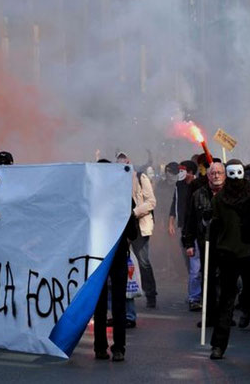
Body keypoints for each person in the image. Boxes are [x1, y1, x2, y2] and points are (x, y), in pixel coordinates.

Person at [208, 159, 250, 360]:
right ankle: (218, 345)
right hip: (228, 253)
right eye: (232, 173)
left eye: (239, 173)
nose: (236, 178)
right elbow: (216, 224)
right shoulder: (219, 199)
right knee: (226, 301)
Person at [94, 159, 137, 362]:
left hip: (97, 254)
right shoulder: (122, 196)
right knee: (118, 303)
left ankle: (100, 347)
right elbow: (133, 232)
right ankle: (118, 348)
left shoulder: (90, 196)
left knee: (100, 303)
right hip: (117, 253)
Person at [183, 161, 225, 327]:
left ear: (224, 175)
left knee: (225, 280)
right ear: (207, 176)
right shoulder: (198, 194)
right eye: (212, 173)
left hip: (226, 242)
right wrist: (188, 243)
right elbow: (190, 219)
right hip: (205, 242)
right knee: (207, 279)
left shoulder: (230, 193)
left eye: (219, 173)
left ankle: (224, 316)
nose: (215, 176)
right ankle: (209, 315)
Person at [117, 152, 158, 309]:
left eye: (124, 162)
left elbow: (151, 202)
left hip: (138, 225)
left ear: (129, 162)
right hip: (122, 227)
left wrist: (134, 213)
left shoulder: (140, 177)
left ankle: (151, 294)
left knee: (143, 262)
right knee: (122, 262)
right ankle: (125, 296)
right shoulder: (116, 180)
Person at [169, 160, 201, 311]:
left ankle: (195, 296)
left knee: (196, 266)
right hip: (184, 228)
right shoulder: (179, 186)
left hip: (197, 229)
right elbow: (174, 203)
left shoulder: (200, 185)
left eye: (183, 170)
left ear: (191, 172)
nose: (180, 172)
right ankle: (194, 292)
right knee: (190, 264)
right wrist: (171, 222)